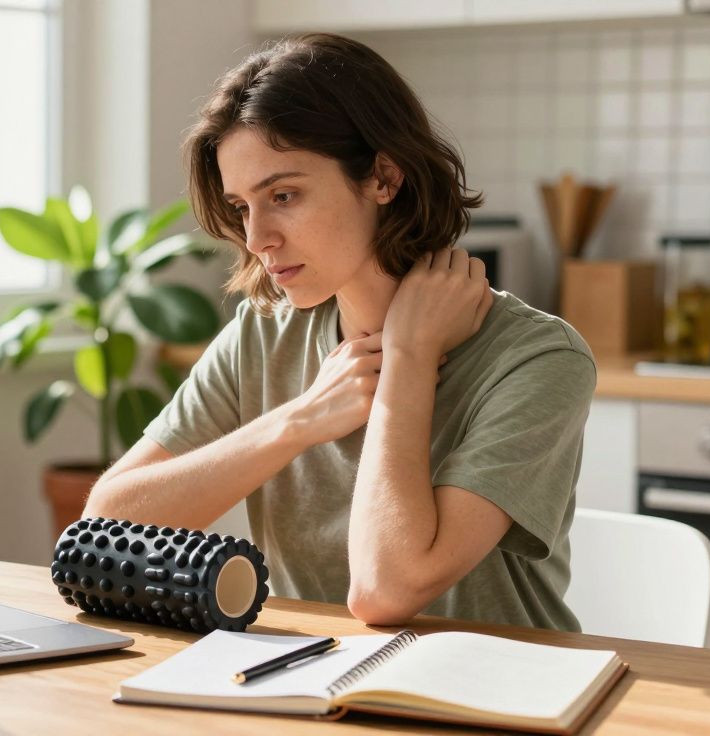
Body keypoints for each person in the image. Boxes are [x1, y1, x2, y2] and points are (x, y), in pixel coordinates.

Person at [82, 32, 595, 631]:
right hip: (307, 683)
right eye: (243, 206)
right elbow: (103, 527)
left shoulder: (538, 360)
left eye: (284, 195)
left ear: (383, 177)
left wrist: (408, 354)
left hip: (497, 699)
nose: (257, 238)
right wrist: (297, 421)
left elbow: (385, 591)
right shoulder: (263, 332)